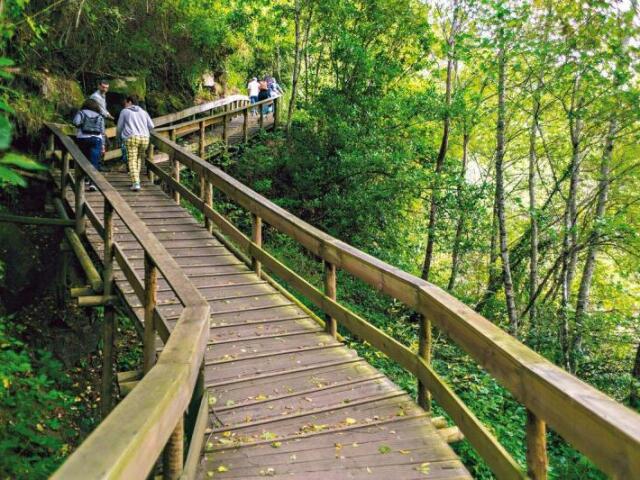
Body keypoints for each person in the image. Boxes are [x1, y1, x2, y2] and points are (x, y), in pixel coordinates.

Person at [116, 94, 154, 191]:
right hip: (145, 138)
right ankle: (137, 179)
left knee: (132, 160)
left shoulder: (125, 111)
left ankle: (136, 183)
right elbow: (151, 126)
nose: (124, 105)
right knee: (138, 158)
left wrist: (119, 137)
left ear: (130, 102)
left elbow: (119, 127)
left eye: (126, 102)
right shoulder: (144, 112)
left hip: (131, 137)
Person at [72, 98, 105, 192]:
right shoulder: (100, 116)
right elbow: (102, 132)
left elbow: (76, 122)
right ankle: (93, 183)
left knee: (83, 159)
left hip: (83, 138)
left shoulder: (81, 113)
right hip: (96, 139)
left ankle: (84, 178)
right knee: (94, 160)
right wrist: (103, 146)